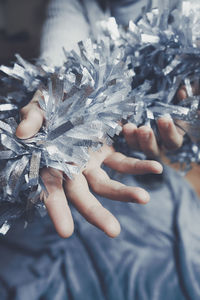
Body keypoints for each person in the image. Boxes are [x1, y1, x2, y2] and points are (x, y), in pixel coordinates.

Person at [0, 1, 200, 299]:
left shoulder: (188, 13)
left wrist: (188, 118)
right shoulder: (72, 3)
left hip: (133, 166)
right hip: (79, 169)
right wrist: (56, 90)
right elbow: (63, 56)